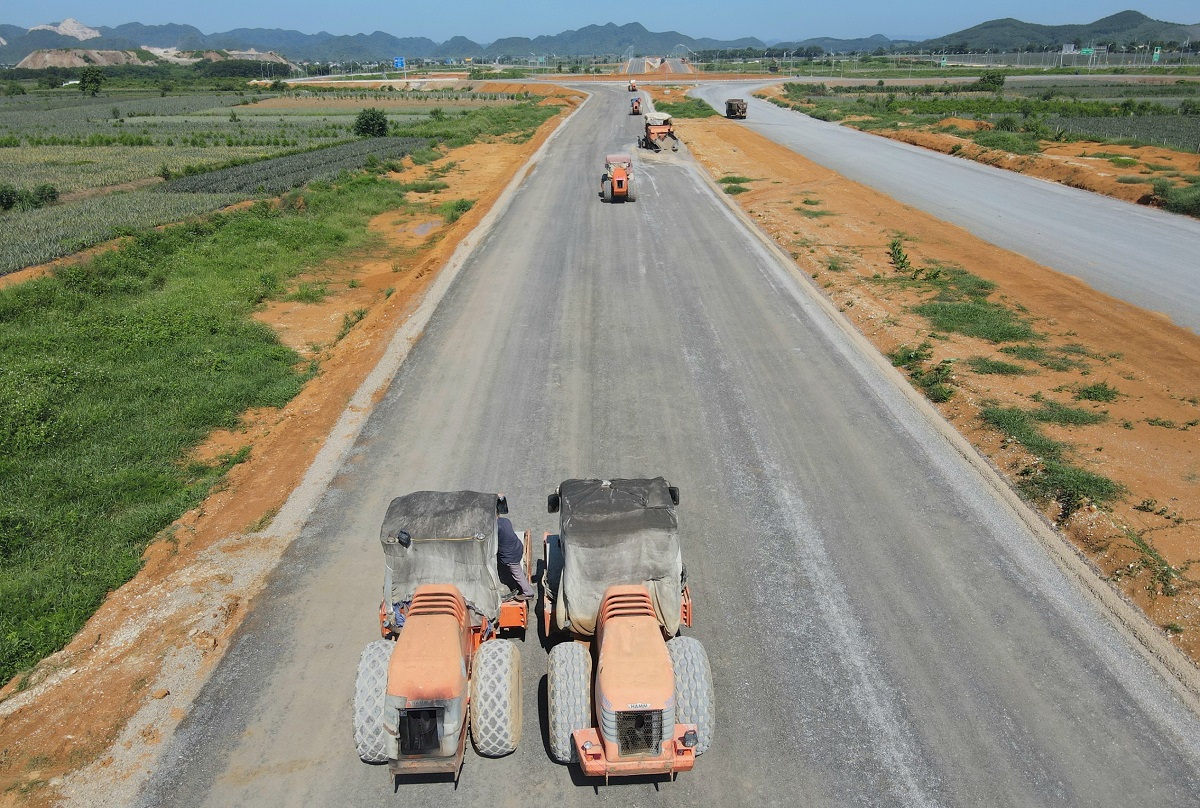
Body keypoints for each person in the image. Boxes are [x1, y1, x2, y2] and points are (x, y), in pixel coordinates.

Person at [497, 516, 536, 601]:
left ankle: (528, 593)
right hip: (517, 547)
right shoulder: (505, 521)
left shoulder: (496, 527)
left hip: (510, 556)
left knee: (518, 575)